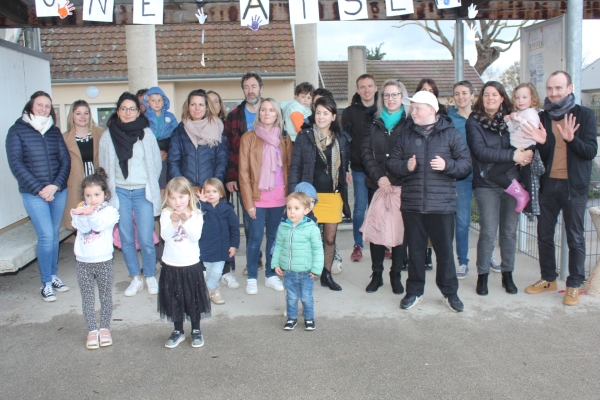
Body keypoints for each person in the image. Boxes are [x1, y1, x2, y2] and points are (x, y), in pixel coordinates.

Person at [386, 90, 471, 312]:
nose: (412, 112)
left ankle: (450, 293)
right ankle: (414, 292)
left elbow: (466, 165)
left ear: (431, 110)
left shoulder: (451, 134)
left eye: (417, 108)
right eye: (412, 108)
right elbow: (392, 163)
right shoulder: (405, 134)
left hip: (442, 206)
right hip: (413, 205)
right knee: (414, 251)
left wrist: (448, 166)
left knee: (444, 252)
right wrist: (406, 167)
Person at [522, 71, 598, 306]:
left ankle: (574, 284)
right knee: (544, 235)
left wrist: (571, 139)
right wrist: (542, 144)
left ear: (570, 88)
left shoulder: (584, 115)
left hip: (574, 186)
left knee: (575, 237)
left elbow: (590, 152)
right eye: (550, 88)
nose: (554, 93)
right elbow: (543, 156)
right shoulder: (543, 117)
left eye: (558, 88)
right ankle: (548, 279)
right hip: (549, 184)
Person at [466, 81, 533, 297]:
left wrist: (526, 154)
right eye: (486, 95)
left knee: (509, 232)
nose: (490, 98)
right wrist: (513, 156)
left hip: (512, 184)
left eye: (495, 94)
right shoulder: (474, 121)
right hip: (486, 183)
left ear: (502, 97)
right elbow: (480, 152)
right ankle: (483, 275)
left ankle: (508, 274)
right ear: (481, 98)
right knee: (487, 232)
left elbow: (526, 141)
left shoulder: (511, 120)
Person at [6, 91, 71, 302]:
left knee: (53, 234)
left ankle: (53, 275)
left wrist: (55, 186)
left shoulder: (53, 131)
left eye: (47, 106)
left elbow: (65, 160)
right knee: (45, 236)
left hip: (57, 191)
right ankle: (45, 283)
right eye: (40, 105)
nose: (44, 109)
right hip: (34, 194)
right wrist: (40, 189)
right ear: (30, 106)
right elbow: (16, 164)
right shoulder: (17, 131)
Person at [99, 92, 162, 297]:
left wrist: (149, 186)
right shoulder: (108, 136)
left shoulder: (146, 133)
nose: (128, 112)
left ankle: (150, 275)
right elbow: (104, 165)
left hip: (142, 192)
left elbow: (155, 164)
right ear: (117, 111)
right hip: (120, 192)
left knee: (145, 237)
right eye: (123, 108)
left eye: (132, 108)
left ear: (138, 111)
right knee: (126, 237)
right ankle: (136, 277)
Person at [289, 96, 352, 291]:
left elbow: (344, 165)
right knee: (308, 239)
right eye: (318, 113)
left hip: (333, 196)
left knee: (330, 239)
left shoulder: (342, 138)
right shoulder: (304, 136)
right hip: (310, 198)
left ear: (333, 116)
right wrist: (293, 195)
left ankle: (326, 274)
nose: (321, 117)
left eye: (326, 113)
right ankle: (304, 276)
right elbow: (295, 167)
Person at [361, 78, 410, 294]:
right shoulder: (373, 122)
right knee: (377, 229)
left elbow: (411, 156)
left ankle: (396, 274)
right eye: (387, 95)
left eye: (395, 95)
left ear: (402, 97)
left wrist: (393, 177)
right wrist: (380, 177)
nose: (390, 99)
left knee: (400, 232)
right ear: (382, 98)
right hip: (378, 185)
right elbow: (365, 153)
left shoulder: (410, 123)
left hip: (401, 185)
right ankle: (377, 274)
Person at [239, 98, 293, 295]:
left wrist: (290, 198)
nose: (267, 113)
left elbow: (288, 168)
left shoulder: (284, 138)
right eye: (264, 110)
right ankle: (252, 276)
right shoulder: (249, 138)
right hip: (257, 197)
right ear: (259, 114)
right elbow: (243, 173)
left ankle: (271, 275)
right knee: (254, 238)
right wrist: (248, 202)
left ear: (277, 114)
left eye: (271, 110)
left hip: (279, 197)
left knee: (274, 238)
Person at [70, 168, 119, 350]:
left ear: (105, 194)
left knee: (106, 296)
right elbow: (82, 228)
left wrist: (91, 213)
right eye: (88, 195)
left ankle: (104, 328)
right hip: (83, 262)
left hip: (104, 261)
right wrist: (83, 214)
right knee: (87, 297)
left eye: (97, 194)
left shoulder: (110, 212)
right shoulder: (78, 210)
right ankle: (92, 330)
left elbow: (98, 226)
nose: (92, 199)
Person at [158, 177, 210, 348]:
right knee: (174, 300)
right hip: (171, 265)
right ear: (168, 199)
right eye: (173, 198)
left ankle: (196, 329)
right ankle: (178, 331)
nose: (177, 202)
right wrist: (174, 222)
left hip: (190, 264)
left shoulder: (196, 214)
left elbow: (195, 236)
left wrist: (185, 221)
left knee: (192, 298)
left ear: (189, 196)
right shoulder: (166, 214)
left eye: (181, 197)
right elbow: (165, 236)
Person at [224, 72, 265, 273]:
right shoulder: (233, 116)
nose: (250, 90)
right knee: (250, 222)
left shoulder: (271, 111)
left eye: (254, 86)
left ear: (261, 88)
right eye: (247, 87)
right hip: (245, 178)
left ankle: (275, 261)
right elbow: (230, 149)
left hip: (269, 176)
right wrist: (231, 177)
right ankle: (254, 259)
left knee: (272, 222)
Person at [272, 192, 324, 331]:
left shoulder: (312, 228)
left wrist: (316, 269)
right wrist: (275, 263)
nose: (291, 212)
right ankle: (292, 318)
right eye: (289, 208)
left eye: (296, 208)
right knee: (291, 297)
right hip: (288, 271)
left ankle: (309, 318)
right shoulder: (283, 227)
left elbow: (318, 250)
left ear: (306, 210)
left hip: (306, 272)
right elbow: (278, 246)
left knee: (306, 297)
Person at [342, 74, 378, 262]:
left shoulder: (383, 110)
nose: (367, 90)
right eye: (362, 87)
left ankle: (379, 243)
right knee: (360, 208)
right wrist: (345, 167)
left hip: (380, 169)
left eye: (370, 86)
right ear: (357, 90)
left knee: (378, 208)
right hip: (358, 168)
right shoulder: (349, 112)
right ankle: (358, 244)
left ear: (376, 88)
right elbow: (345, 142)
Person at [61, 100, 105, 230]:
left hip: (96, 181)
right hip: (75, 183)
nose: (83, 117)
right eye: (78, 113)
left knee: (98, 219)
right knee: (80, 222)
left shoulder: (100, 134)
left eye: (86, 113)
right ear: (72, 116)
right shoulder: (64, 138)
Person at [198, 178, 240, 304]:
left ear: (221, 194)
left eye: (214, 191)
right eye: (207, 191)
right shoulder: (201, 208)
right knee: (210, 271)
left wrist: (234, 245)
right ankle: (215, 291)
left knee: (217, 272)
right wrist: (200, 203)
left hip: (222, 247)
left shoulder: (227, 209)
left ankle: (207, 291)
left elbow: (234, 228)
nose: (210, 194)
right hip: (206, 247)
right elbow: (193, 216)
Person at [142, 87, 179, 195]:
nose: (157, 103)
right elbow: (142, 136)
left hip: (167, 146)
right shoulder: (144, 118)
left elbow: (175, 133)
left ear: (164, 102)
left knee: (164, 178)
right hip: (151, 146)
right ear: (147, 103)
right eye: (153, 100)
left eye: (160, 100)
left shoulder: (170, 117)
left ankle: (164, 200)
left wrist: (170, 150)